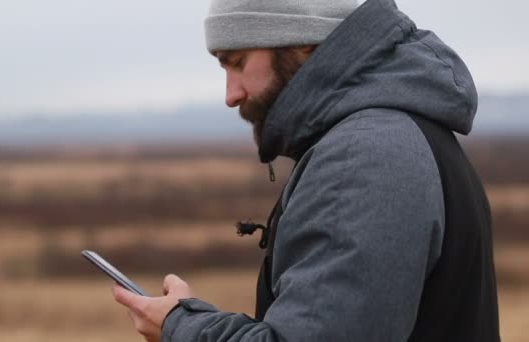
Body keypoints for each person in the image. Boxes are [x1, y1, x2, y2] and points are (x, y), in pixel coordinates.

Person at [112, 0, 501, 340]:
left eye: (238, 63)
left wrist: (181, 327)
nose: (231, 94)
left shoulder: (366, 156)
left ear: (302, 40)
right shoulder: (394, 134)